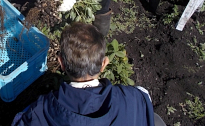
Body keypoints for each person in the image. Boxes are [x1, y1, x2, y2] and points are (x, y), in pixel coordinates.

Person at [12, 22, 159, 126]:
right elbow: (144, 95)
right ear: (104, 64)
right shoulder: (133, 97)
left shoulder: (41, 109)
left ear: (61, 63)